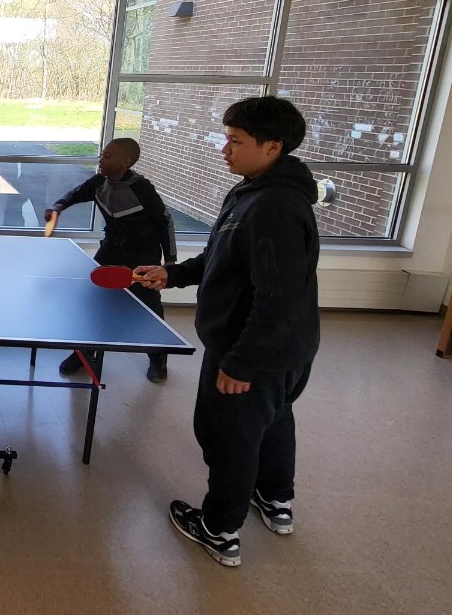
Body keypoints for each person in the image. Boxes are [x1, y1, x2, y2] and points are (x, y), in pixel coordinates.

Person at [134, 96, 320, 568]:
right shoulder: (256, 190)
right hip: (283, 348)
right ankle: (276, 500)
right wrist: (172, 275)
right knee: (274, 421)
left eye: (236, 141)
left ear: (273, 146)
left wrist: (240, 364)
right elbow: (226, 259)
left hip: (251, 347)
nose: (225, 148)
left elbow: (275, 299)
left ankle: (219, 530)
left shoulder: (272, 206)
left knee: (228, 436)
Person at [45, 137, 177, 383]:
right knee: (91, 302)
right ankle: (83, 353)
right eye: (102, 155)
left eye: (107, 156)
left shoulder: (142, 188)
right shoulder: (99, 183)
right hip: (110, 252)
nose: (101, 160)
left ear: (126, 161)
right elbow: (74, 195)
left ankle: (158, 358)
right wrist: (57, 207)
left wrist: (168, 263)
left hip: (143, 258)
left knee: (149, 310)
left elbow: (165, 222)